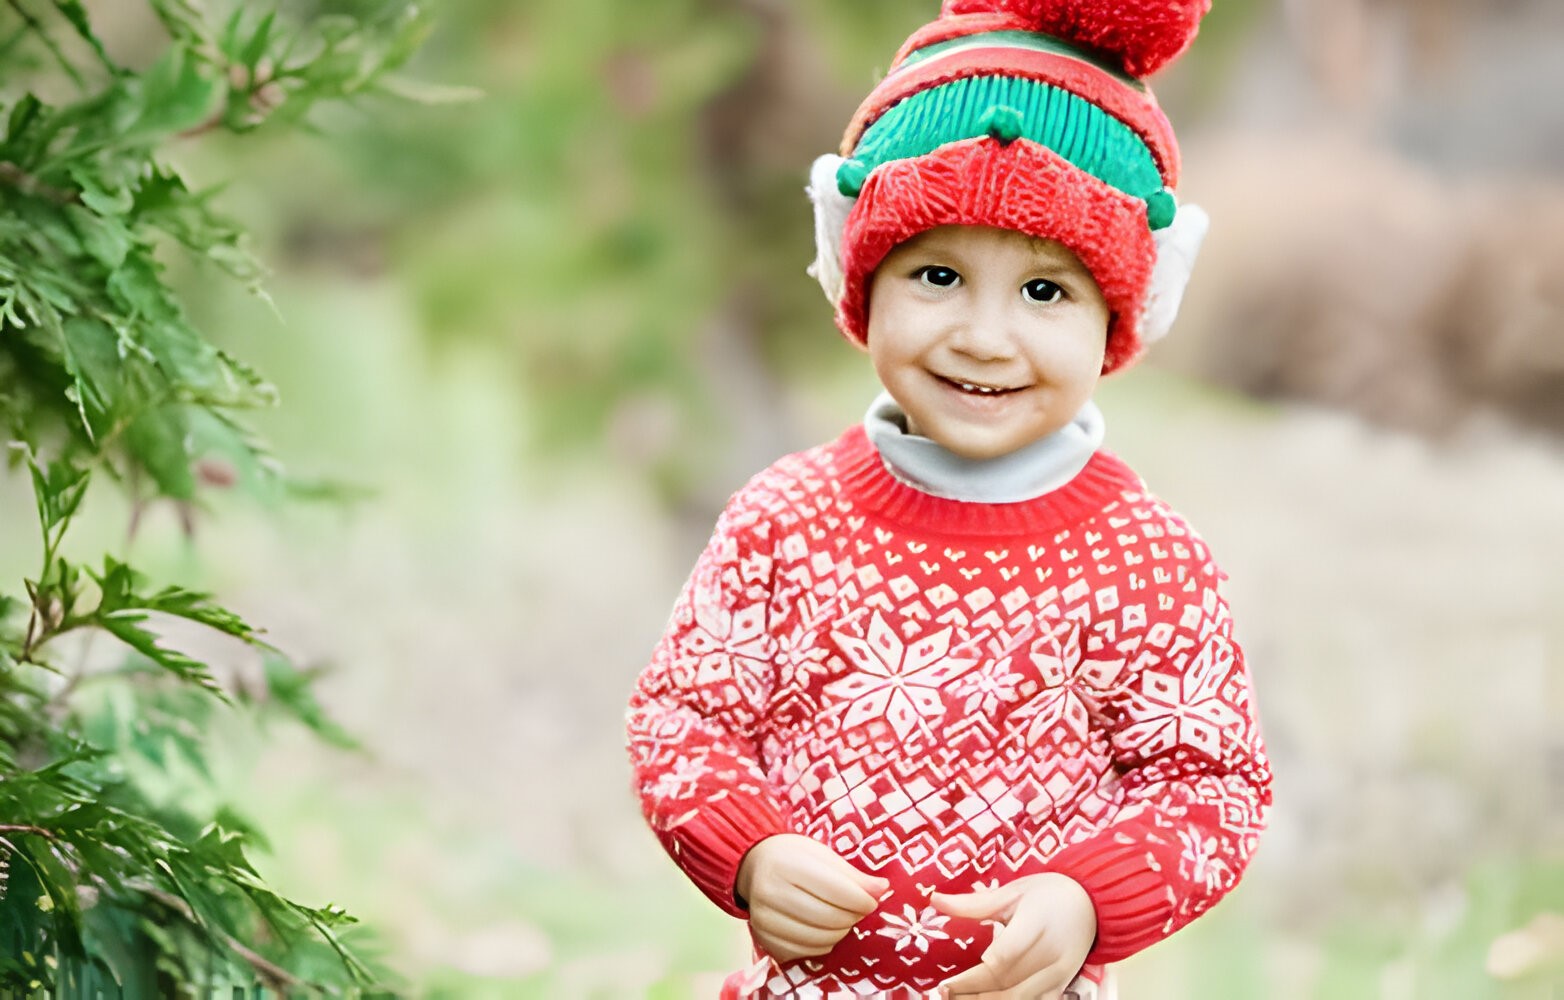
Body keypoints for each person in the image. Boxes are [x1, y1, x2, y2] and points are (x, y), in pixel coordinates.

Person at [625, 2, 1273, 997]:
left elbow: (1210, 783)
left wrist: (1089, 897)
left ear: (1116, 314)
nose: (982, 334)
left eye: (1044, 292)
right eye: (937, 273)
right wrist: (746, 850)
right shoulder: (786, 519)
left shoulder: (1142, 558)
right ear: (862, 274)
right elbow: (685, 716)